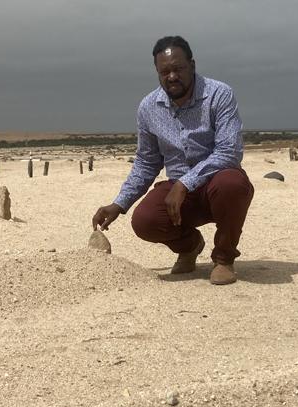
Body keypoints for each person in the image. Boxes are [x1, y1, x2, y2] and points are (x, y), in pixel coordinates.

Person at [91, 36, 254, 285]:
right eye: (164, 71)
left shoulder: (219, 94)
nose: (172, 76)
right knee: (145, 220)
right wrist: (119, 204)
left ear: (192, 65)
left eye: (178, 69)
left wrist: (184, 183)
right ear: (157, 72)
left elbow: (229, 151)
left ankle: (224, 258)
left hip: (216, 185)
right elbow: (147, 162)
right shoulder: (148, 107)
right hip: (179, 197)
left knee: (232, 184)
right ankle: (190, 246)